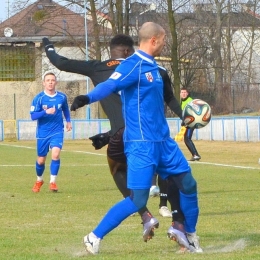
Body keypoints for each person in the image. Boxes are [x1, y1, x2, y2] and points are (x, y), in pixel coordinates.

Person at [70, 22, 202, 254]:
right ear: (153, 40)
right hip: (141, 144)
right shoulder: (132, 65)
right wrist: (87, 98)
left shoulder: (156, 68)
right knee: (139, 199)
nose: (164, 44)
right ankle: (93, 237)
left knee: (189, 184)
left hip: (164, 143)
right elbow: (110, 84)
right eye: (163, 40)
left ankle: (190, 235)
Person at [43, 34, 184, 241]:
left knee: (119, 171)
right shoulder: (149, 68)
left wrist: (48, 45)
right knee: (170, 173)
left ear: (113, 51)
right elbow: (166, 98)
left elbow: (59, 62)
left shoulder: (98, 67)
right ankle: (177, 222)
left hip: (122, 135)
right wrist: (183, 115)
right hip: (150, 134)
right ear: (129, 51)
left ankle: (144, 215)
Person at [30, 72, 72, 192]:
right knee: (41, 160)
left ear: (56, 82)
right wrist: (45, 112)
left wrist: (68, 121)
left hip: (57, 130)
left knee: (55, 154)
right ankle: (39, 180)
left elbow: (65, 108)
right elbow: (33, 116)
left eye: (52, 80)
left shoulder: (62, 97)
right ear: (44, 83)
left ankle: (52, 182)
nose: (50, 82)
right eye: (48, 80)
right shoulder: (39, 98)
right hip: (43, 133)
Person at [180, 88, 201, 161]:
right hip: (187, 122)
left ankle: (196, 155)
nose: (183, 94)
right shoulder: (182, 102)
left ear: (187, 93)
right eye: (182, 92)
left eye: (185, 92)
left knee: (187, 138)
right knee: (186, 139)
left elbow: (192, 112)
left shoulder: (190, 101)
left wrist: (186, 121)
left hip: (192, 122)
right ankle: (195, 155)